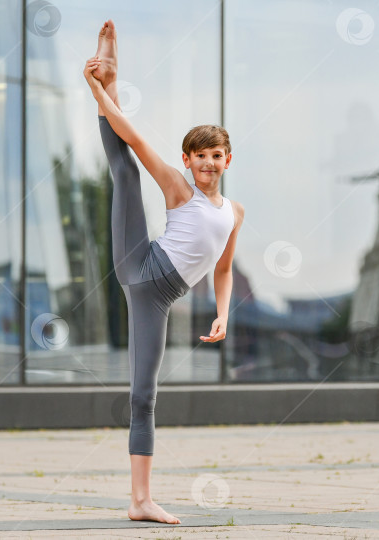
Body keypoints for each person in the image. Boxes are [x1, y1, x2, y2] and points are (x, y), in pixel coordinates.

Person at [84, 20, 245, 525]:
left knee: (145, 394)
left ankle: (139, 502)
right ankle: (109, 67)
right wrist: (99, 87)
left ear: (227, 158)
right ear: (188, 160)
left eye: (216, 156)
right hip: (140, 265)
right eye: (201, 157)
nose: (209, 165)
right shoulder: (179, 187)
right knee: (126, 170)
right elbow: (131, 136)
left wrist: (222, 313)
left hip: (160, 296)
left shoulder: (234, 212)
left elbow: (223, 269)